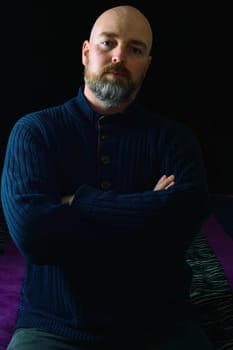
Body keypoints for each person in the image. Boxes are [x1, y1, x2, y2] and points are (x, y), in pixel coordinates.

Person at [0, 5, 214, 350]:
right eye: (107, 43)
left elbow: (183, 222)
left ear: (146, 64)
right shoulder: (35, 131)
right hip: (55, 324)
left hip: (160, 323)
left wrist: (76, 201)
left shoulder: (175, 139)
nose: (119, 56)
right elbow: (32, 232)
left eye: (134, 49)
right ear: (86, 52)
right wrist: (149, 206)